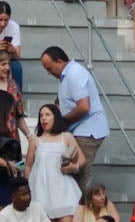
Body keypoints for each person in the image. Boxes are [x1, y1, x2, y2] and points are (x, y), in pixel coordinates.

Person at [41, 48, 110, 191]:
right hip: (79, 130)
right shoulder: (67, 75)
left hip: (86, 131)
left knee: (79, 173)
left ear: (59, 62)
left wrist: (62, 120)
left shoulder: (74, 74)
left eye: (50, 68)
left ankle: (82, 210)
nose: (48, 73)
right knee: (71, 172)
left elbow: (84, 107)